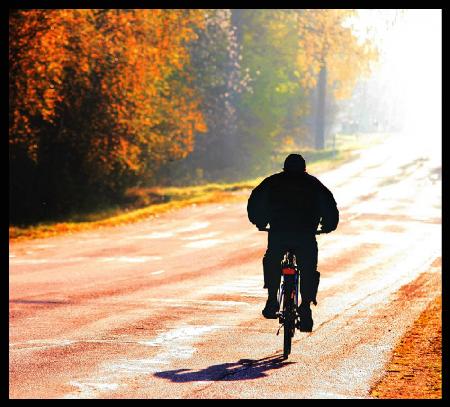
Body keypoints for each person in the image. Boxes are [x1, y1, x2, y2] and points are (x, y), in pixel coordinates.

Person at [247, 153, 339, 331]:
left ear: (284, 168)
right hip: (305, 235)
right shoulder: (314, 185)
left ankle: (272, 299)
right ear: (304, 168)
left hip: (279, 233)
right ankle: (305, 306)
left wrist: (259, 221)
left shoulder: (272, 182)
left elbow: (255, 202)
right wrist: (327, 226)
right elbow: (329, 207)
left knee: (272, 259)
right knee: (309, 269)